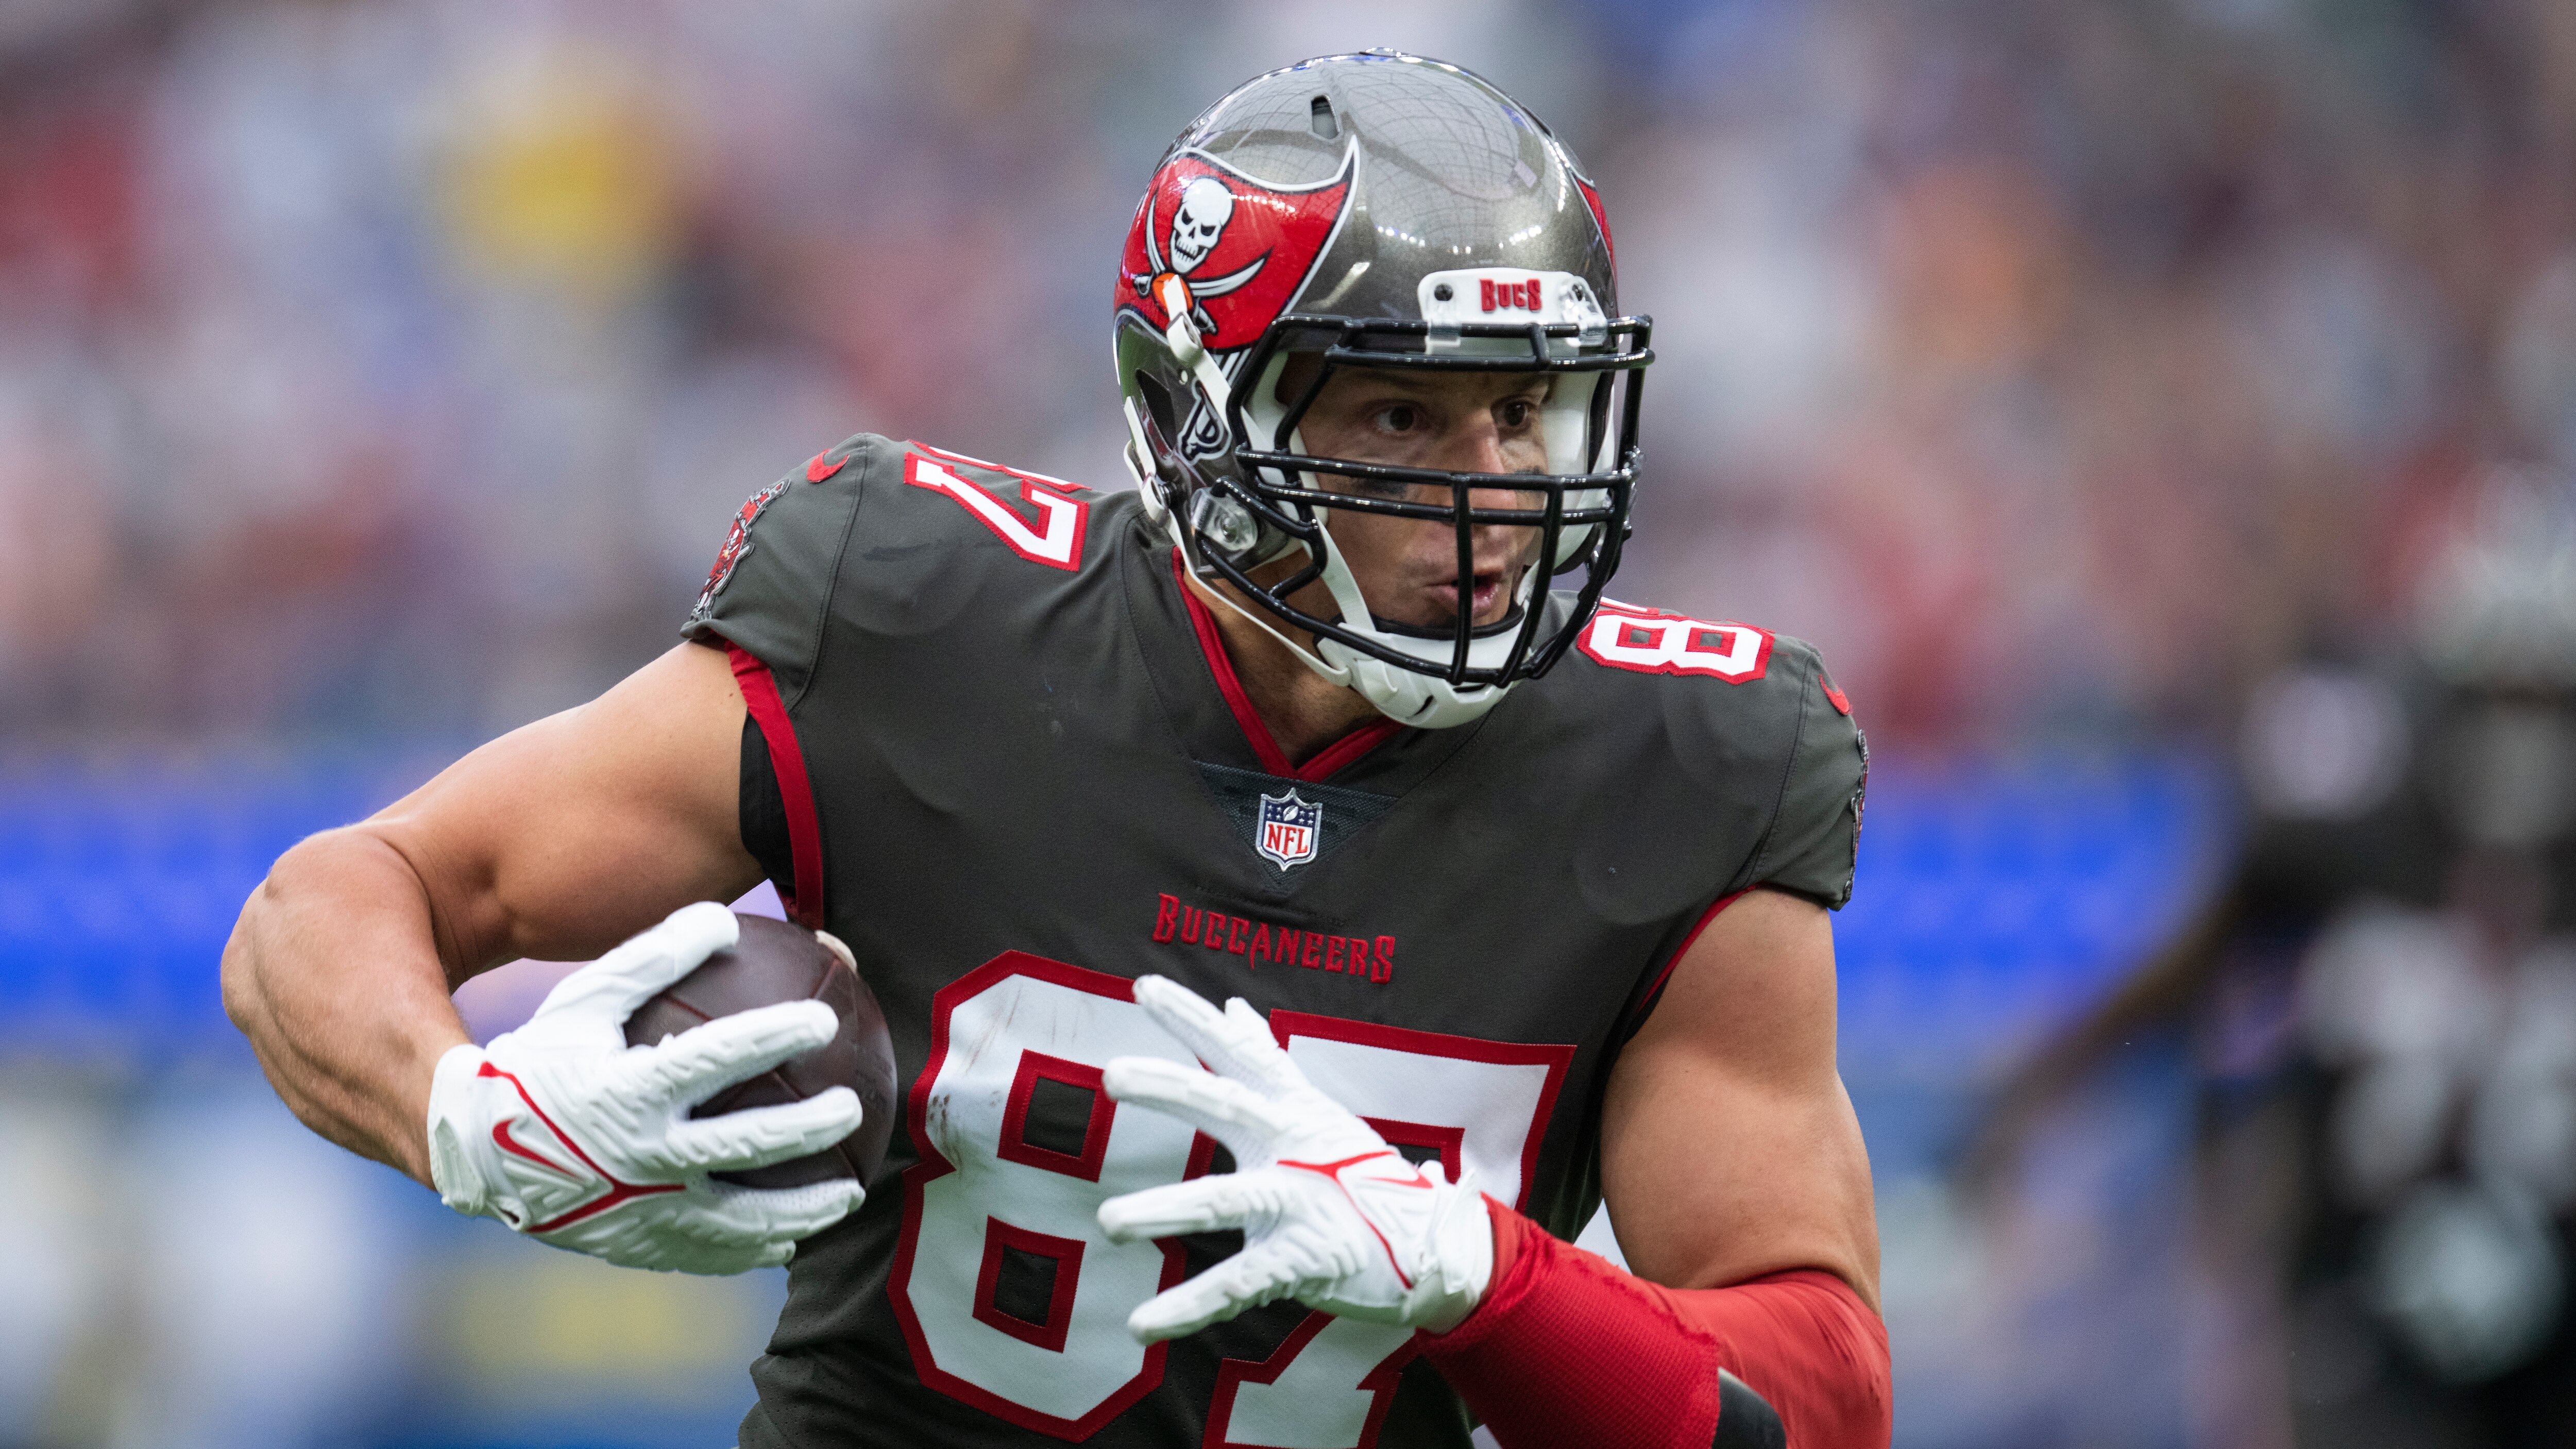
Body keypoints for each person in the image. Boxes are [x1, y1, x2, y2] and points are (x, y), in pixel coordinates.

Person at [222, 52, 1890, 1449]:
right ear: (1194, 417)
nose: (1490, 495)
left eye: (1523, 410)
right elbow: (331, 903)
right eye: (1398, 413)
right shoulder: (923, 622)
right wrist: (472, 1114)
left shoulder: (1690, 764)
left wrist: (1479, 1271)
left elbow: (1819, 1395)